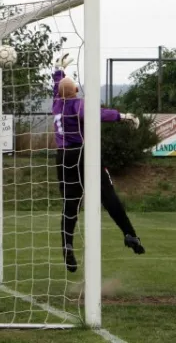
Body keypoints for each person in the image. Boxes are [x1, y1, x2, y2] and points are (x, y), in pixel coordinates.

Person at [52, 53, 145, 273]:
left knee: (70, 203)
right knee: (107, 194)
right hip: (84, 154)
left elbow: (59, 88)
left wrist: (58, 70)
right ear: (75, 91)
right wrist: (123, 116)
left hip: (63, 157)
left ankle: (67, 244)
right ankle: (129, 233)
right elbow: (96, 113)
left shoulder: (57, 104)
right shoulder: (77, 105)